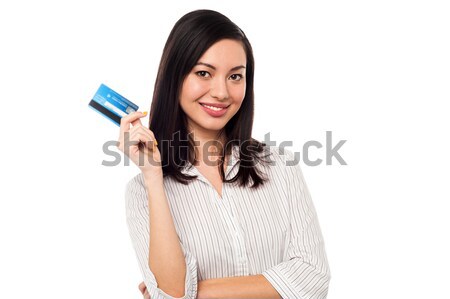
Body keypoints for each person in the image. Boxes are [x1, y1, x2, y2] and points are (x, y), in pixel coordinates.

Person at [117, 9, 330, 299]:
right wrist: (153, 176)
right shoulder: (142, 192)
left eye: (235, 76)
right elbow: (173, 292)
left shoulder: (279, 166)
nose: (221, 92)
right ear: (175, 76)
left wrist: (192, 292)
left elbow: (313, 278)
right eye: (203, 73)